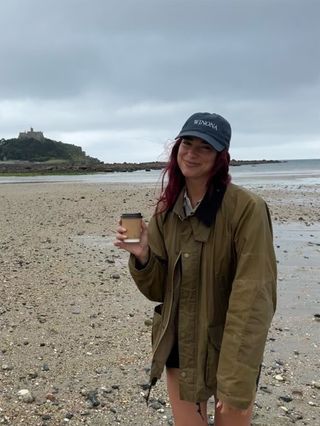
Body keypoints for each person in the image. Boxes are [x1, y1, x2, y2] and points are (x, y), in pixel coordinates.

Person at [114, 112, 277, 426]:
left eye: (205, 147)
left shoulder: (248, 209)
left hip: (230, 344)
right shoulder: (166, 211)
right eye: (186, 143)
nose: (192, 153)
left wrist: (235, 378)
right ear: (176, 149)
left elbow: (255, 295)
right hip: (180, 341)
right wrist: (143, 255)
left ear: (220, 157)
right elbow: (158, 290)